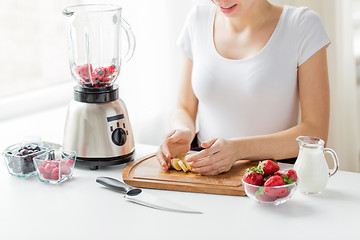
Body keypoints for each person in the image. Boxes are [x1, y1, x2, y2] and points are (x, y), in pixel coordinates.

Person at [156, 0, 330, 175]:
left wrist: (238, 150)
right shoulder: (197, 19)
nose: (221, 1)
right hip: (203, 172)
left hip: (273, 179)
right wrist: (182, 130)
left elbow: (315, 132)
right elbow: (185, 107)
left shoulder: (301, 25)